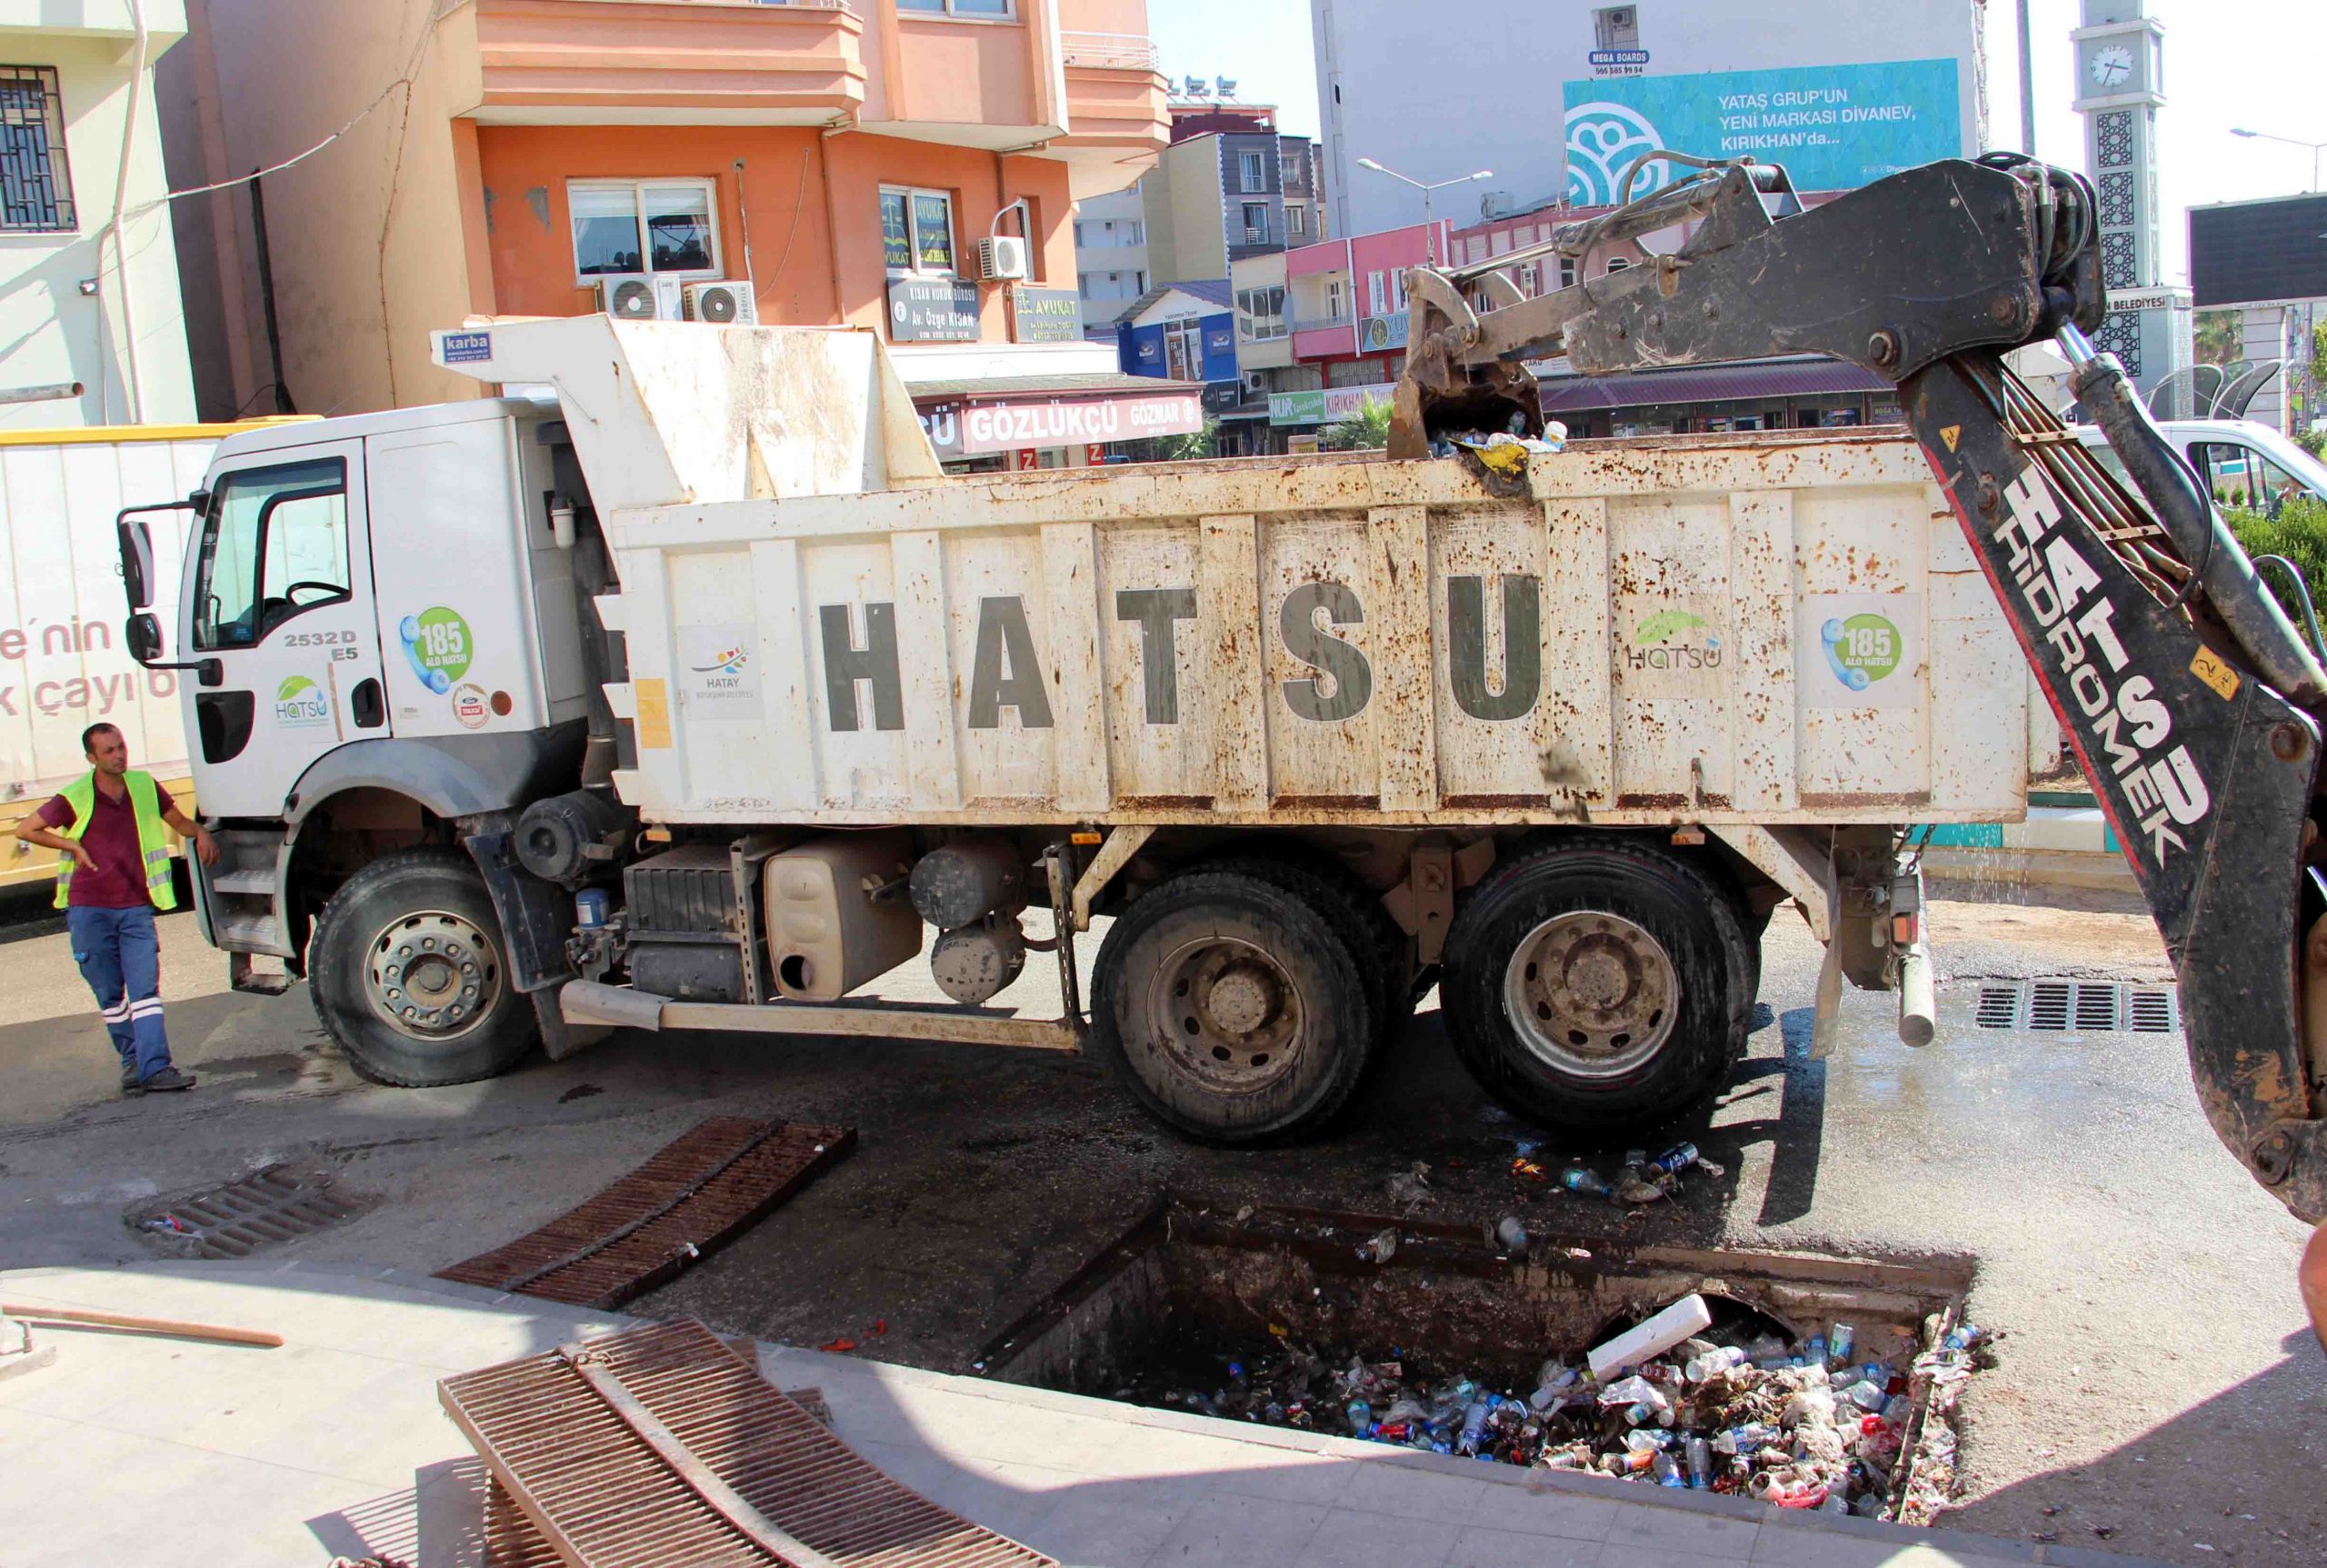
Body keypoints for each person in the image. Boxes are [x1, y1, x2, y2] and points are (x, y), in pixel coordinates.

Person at [15, 723, 217, 1094]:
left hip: (135, 909)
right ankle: (133, 1062)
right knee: (110, 995)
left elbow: (176, 821)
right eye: (108, 751)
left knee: (145, 990)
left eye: (121, 746)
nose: (118, 755)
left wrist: (201, 832)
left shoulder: (144, 786)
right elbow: (26, 829)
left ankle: (157, 1067)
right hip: (89, 909)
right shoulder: (75, 795)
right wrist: (72, 847)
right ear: (92, 758)